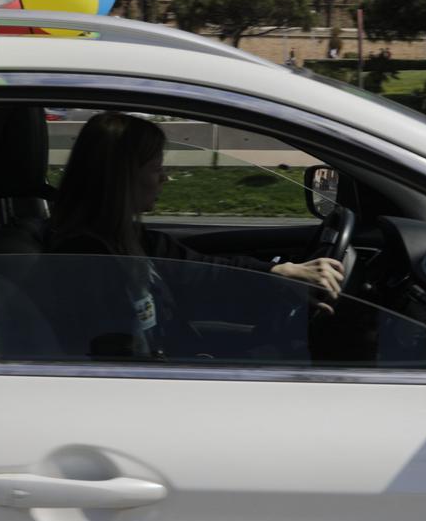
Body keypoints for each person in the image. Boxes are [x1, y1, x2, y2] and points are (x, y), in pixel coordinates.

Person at [48, 113, 343, 356]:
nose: (165, 178)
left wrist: (280, 273)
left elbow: (201, 272)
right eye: (156, 168)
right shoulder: (88, 260)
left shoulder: (130, 239)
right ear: (121, 177)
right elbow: (115, 358)